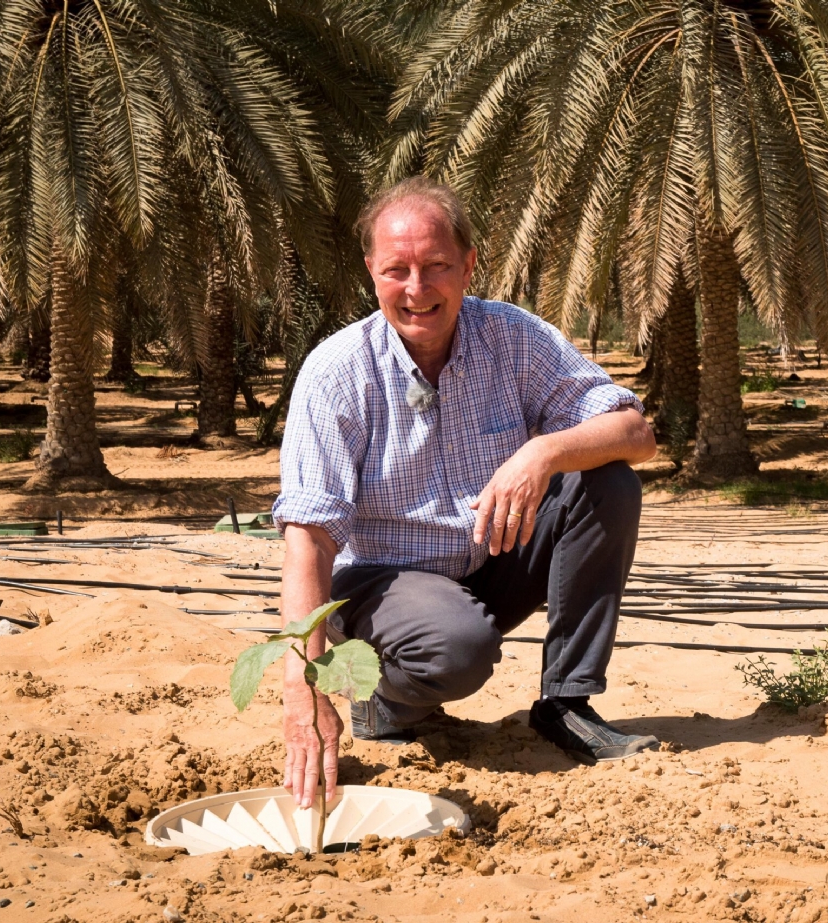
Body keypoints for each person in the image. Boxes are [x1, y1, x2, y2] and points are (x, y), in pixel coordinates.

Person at [272, 176, 660, 808]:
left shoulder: (513, 338)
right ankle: (385, 694)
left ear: (470, 264)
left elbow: (636, 432)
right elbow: (309, 538)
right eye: (397, 269)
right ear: (370, 270)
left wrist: (543, 451)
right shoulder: (338, 371)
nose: (417, 289)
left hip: (485, 554)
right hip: (379, 584)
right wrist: (305, 690)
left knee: (608, 480)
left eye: (437, 266)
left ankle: (567, 703)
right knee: (457, 647)